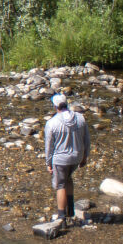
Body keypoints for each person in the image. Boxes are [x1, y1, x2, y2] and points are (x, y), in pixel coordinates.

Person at [43, 91, 90, 223]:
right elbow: (87, 139)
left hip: (61, 159)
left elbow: (49, 146)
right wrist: (85, 156)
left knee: (60, 184)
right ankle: (71, 210)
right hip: (77, 157)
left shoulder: (51, 123)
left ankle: (62, 216)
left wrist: (48, 163)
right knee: (68, 178)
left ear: (55, 106)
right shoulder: (80, 118)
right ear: (67, 104)